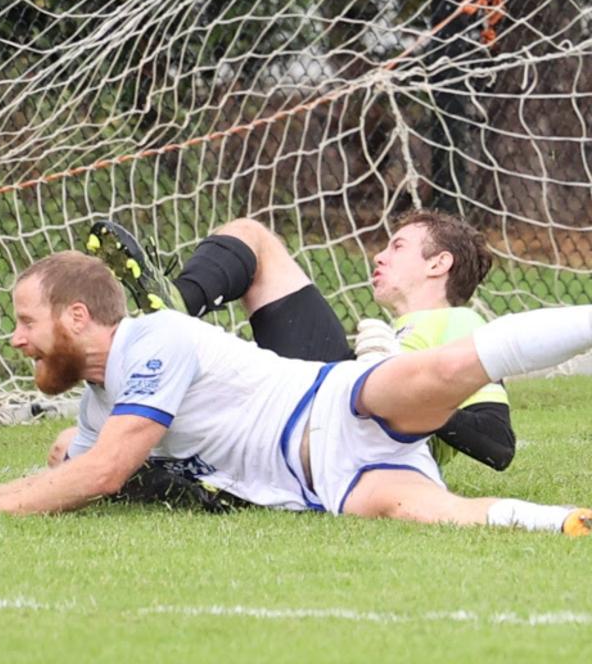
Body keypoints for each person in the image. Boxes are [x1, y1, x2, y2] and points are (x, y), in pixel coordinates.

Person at [0, 249, 592, 536]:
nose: (18, 341)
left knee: (445, 371)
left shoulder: (157, 338)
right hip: (327, 481)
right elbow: (75, 475)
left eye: (27, 322)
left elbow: (105, 471)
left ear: (77, 317)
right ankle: (569, 520)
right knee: (443, 515)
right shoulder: (98, 403)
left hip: (335, 401)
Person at [45, 210, 514, 507]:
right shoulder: (393, 332)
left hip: (365, 440)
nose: (379, 256)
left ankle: (171, 318)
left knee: (255, 238)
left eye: (398, 246)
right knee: (70, 446)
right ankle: (172, 313)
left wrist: (401, 385)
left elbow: (496, 445)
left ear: (439, 264)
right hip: (327, 405)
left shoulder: (459, 325)